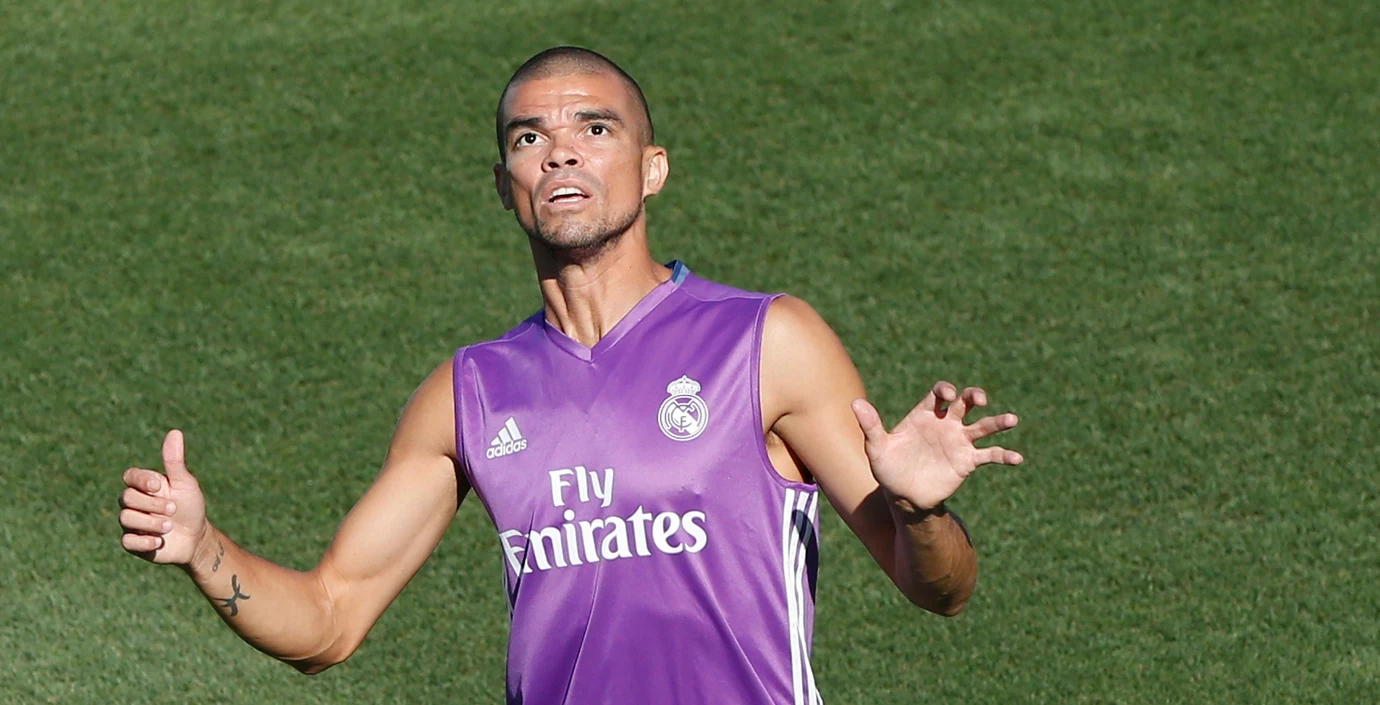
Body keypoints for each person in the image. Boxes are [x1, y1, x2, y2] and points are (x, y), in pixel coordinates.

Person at [119, 46, 1023, 704]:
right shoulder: (468, 395)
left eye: (595, 127)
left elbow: (937, 586)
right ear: (505, 183)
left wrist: (918, 510)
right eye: (529, 137)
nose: (560, 151)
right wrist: (204, 549)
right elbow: (328, 619)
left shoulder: (764, 341)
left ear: (652, 167)